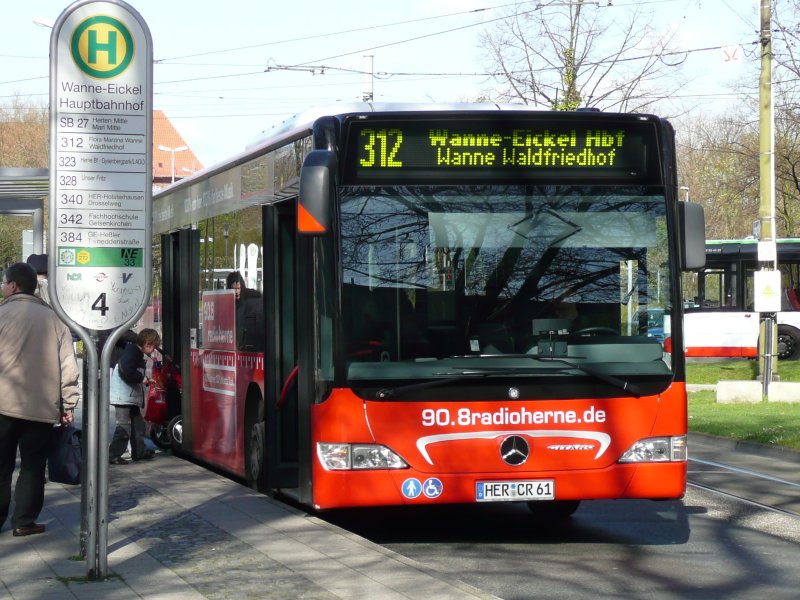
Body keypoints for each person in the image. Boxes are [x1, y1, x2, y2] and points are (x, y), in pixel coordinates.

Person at [0, 262, 80, 537]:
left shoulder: (1, 314)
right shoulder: (55, 320)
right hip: (41, 408)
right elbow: (69, 366)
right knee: (33, 466)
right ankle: (23, 521)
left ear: (13, 286)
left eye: (3, 282)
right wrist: (68, 404)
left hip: (3, 405)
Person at [108, 328, 161, 464]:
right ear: (147, 344)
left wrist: (144, 379)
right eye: (153, 347)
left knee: (138, 424)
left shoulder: (135, 351)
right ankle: (113, 455)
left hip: (129, 396)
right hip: (123, 396)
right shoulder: (132, 351)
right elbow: (126, 370)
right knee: (124, 426)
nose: (153, 350)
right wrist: (141, 378)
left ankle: (139, 451)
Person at [225, 271, 264, 351]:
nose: (236, 292)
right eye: (233, 289)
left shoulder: (251, 301)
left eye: (238, 288)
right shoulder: (231, 303)